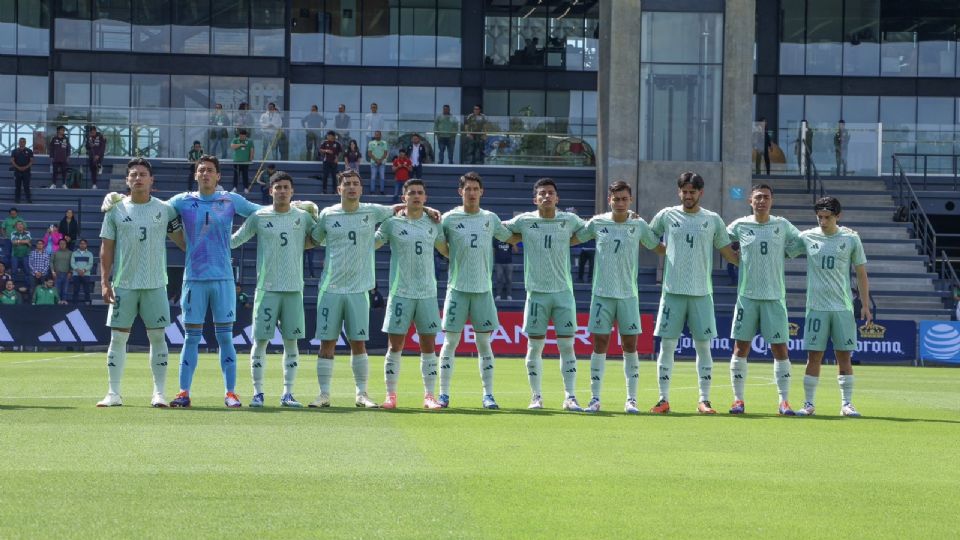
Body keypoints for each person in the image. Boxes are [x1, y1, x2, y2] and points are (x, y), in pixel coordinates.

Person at [165, 155, 260, 408]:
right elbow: (155, 211)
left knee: (225, 337)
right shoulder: (183, 201)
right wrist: (119, 199)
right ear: (196, 175)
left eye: (210, 170)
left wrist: (293, 206)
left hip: (223, 279)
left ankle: (230, 393)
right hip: (194, 279)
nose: (205, 174)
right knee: (191, 338)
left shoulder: (230, 200)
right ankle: (183, 392)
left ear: (218, 176)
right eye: (201, 170)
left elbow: (262, 214)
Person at [648, 172, 739, 414]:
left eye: (693, 192)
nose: (688, 196)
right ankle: (663, 399)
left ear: (701, 193)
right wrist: (663, 250)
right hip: (672, 292)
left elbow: (727, 251)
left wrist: (748, 263)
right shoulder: (667, 215)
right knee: (667, 346)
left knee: (703, 347)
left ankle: (704, 400)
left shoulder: (712, 219)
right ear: (679, 192)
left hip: (701, 293)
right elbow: (647, 236)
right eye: (684, 191)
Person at [308, 170, 399, 409]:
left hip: (359, 290)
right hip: (331, 288)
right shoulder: (328, 214)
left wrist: (429, 211)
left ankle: (361, 394)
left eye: (355, 184)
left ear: (361, 189)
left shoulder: (373, 211)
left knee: (358, 342)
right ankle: (324, 394)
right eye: (346, 184)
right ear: (339, 189)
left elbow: (403, 207)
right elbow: (312, 239)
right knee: (326, 342)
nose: (351, 187)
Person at [96, 157, 181, 408]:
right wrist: (104, 281)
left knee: (157, 337)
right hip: (124, 284)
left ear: (152, 180)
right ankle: (113, 393)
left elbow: (183, 241)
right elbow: (106, 248)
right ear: (127, 180)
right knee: (118, 338)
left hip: (155, 284)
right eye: (133, 174)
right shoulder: (115, 209)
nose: (138, 178)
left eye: (143, 174)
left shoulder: (165, 209)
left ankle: (159, 393)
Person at [231, 171, 317, 408]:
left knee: (292, 343)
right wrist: (210, 238)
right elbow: (236, 239)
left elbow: (321, 238)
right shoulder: (259, 216)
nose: (281, 191)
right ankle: (258, 393)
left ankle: (287, 394)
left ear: (292, 192)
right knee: (260, 342)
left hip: (293, 290)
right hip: (267, 289)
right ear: (271, 191)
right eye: (277, 187)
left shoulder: (302, 217)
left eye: (285, 187)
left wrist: (317, 216)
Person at [576, 181, 662, 413]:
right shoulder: (597, 223)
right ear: (609, 200)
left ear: (631, 200)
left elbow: (659, 247)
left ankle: (631, 399)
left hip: (628, 296)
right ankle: (594, 398)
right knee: (600, 344)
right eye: (617, 199)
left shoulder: (638, 225)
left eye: (625, 199)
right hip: (601, 295)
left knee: (630, 346)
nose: (621, 203)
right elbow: (574, 237)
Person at [504, 178, 586, 411]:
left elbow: (590, 230)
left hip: (563, 294)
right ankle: (536, 396)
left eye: (550, 193)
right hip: (537, 294)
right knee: (534, 347)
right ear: (535, 199)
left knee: (567, 346)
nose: (546, 197)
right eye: (542, 194)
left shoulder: (569, 220)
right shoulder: (525, 221)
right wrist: (518, 238)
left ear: (557, 198)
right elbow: (501, 230)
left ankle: (570, 397)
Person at [437, 172, 516, 409]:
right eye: (467, 189)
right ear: (460, 192)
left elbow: (510, 236)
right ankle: (443, 394)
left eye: (475, 189)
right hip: (457, 290)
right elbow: (439, 242)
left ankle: (488, 395)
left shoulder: (490, 218)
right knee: (450, 342)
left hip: (483, 291)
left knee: (484, 344)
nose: (471, 193)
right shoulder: (449, 219)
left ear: (482, 192)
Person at [726, 184, 803, 415]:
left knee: (780, 349)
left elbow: (803, 241)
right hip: (747, 297)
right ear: (750, 200)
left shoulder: (782, 225)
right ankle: (738, 400)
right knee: (741, 348)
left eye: (766, 197)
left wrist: (788, 253)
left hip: (774, 297)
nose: (762, 201)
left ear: (772, 200)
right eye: (758, 197)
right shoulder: (740, 225)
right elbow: (718, 238)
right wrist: (733, 258)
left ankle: (784, 401)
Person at [374, 179, 448, 409]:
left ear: (425, 198)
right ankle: (390, 395)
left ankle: (429, 396)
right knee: (394, 346)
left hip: (426, 293)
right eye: (412, 193)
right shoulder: (392, 224)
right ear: (404, 197)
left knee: (428, 346)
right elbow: (371, 244)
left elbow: (447, 251)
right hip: (400, 293)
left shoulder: (434, 224)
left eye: (420, 193)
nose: (416, 196)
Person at [794, 196, 871, 417]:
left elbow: (861, 273)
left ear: (838, 216)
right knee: (814, 356)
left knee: (844, 356)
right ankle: (808, 403)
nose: (823, 221)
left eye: (828, 217)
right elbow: (785, 249)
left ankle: (847, 404)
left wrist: (865, 305)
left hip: (842, 307)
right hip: (816, 307)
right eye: (820, 217)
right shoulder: (807, 237)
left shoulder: (851, 238)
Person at [71, 238, 94, 305]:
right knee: (76, 290)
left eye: (84, 244)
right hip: (76, 274)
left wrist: (83, 270)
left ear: (86, 245)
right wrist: (78, 270)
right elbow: (72, 263)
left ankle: (87, 303)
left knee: (87, 290)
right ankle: (74, 304)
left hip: (86, 274)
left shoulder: (90, 254)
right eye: (81, 243)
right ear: (79, 245)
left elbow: (90, 264)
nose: (82, 245)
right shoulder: (74, 253)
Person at [231, 129, 254, 193]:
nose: (241, 137)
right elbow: (232, 146)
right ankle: (234, 187)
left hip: (245, 162)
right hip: (237, 161)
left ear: (245, 135)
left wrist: (251, 158)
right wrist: (240, 144)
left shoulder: (249, 141)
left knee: (245, 175)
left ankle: (246, 188)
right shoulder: (235, 140)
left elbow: (252, 150)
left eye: (243, 136)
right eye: (240, 136)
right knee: (236, 175)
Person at [11, 137, 34, 203]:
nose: (22, 143)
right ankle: (17, 200)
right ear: (18, 142)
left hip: (26, 172)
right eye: (20, 141)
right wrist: (18, 167)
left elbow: (31, 161)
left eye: (23, 141)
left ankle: (28, 200)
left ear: (25, 143)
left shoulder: (29, 151)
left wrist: (25, 167)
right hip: (17, 171)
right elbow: (12, 161)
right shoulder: (14, 151)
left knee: (26, 186)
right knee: (17, 186)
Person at [366, 130, 388, 195]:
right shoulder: (371, 143)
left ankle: (382, 191)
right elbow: (369, 153)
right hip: (373, 163)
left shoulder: (384, 143)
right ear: (374, 135)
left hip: (382, 163)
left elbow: (385, 153)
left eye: (378, 134)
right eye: (376, 134)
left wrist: (380, 160)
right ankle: (372, 191)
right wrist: (376, 160)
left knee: (382, 177)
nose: (377, 135)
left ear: (381, 135)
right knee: (373, 177)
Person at [52, 238, 72, 303]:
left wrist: (70, 272)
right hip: (57, 274)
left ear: (66, 244)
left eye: (64, 244)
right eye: (61, 244)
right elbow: (51, 262)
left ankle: (64, 302)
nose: (62, 245)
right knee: (57, 290)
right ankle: (57, 302)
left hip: (66, 274)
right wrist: (53, 271)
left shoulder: (70, 253)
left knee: (65, 290)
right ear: (59, 245)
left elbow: (72, 263)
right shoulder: (55, 252)